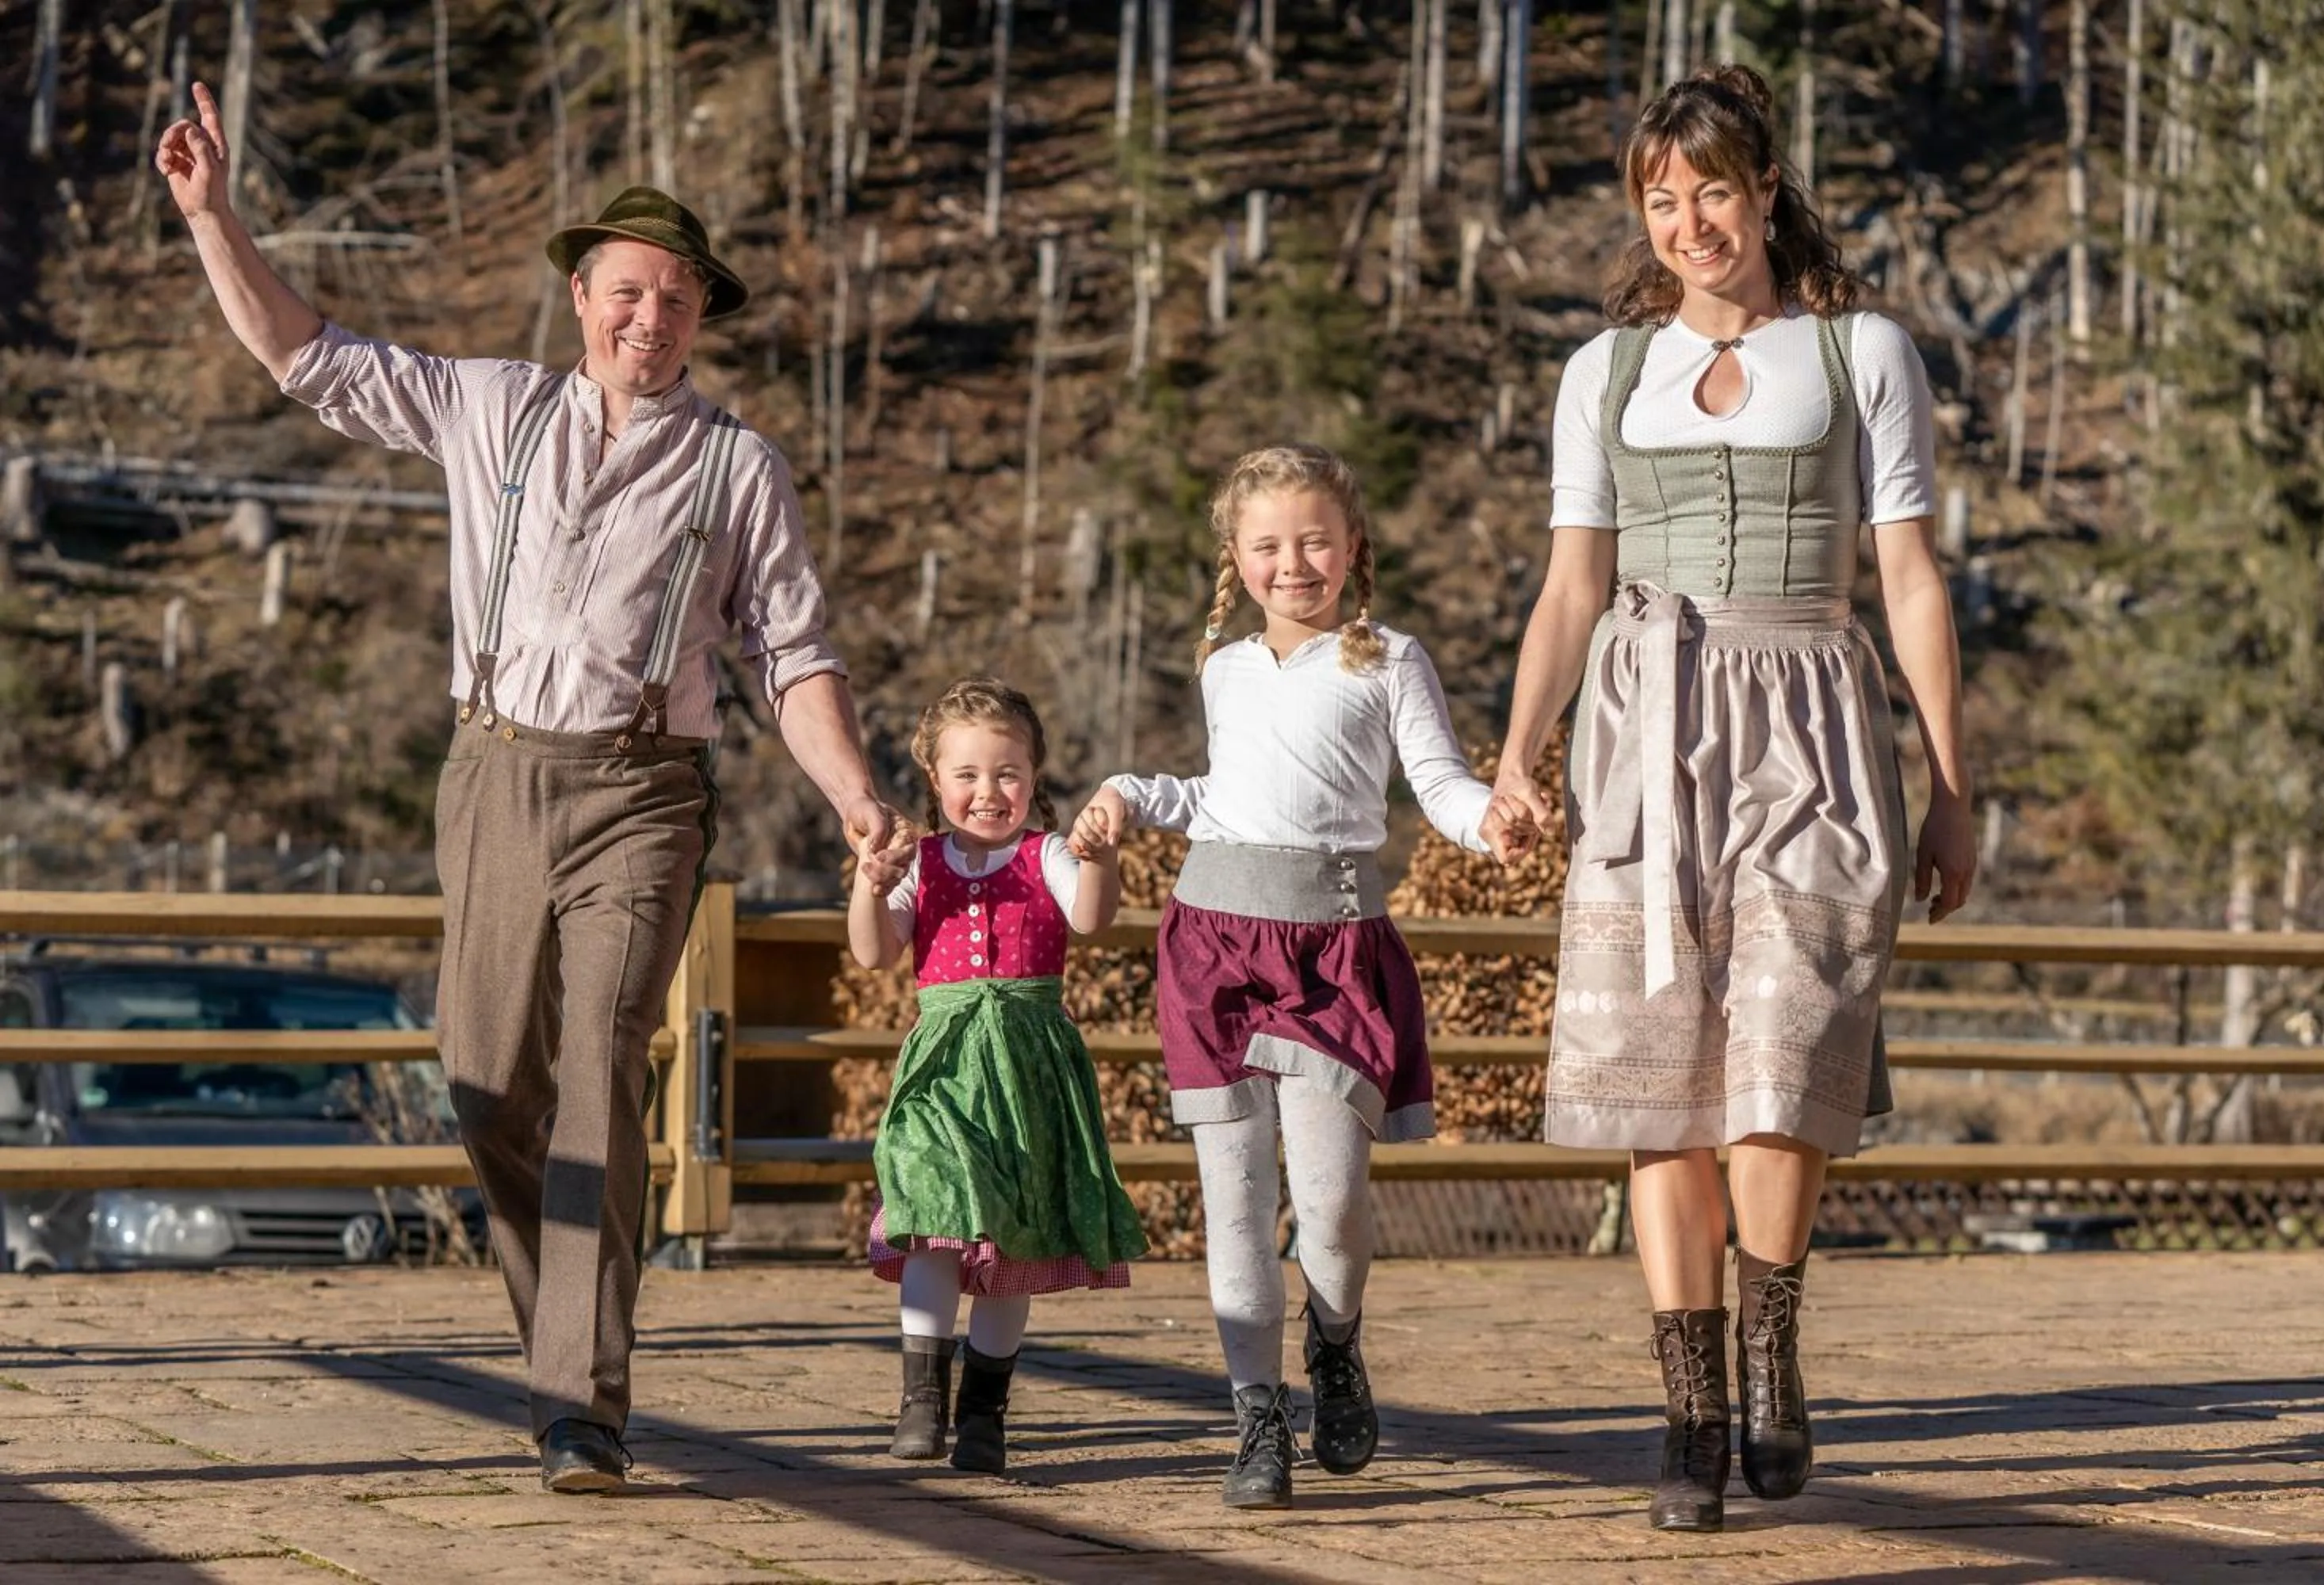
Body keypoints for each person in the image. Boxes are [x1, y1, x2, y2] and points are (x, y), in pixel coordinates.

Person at [155, 84, 897, 1492]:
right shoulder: (485, 405)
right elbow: (307, 358)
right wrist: (213, 219)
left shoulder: (741, 471)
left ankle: (581, 1408)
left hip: (643, 790)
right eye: (630, 292)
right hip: (492, 772)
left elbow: (794, 654)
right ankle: (560, 1340)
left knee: (604, 1063)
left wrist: (856, 794)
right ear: (582, 293)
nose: (652, 321)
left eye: (678, 301)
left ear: (699, 316)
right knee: (485, 1081)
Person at [1489, 66, 1977, 1533]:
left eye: (1715, 189)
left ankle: (1772, 1350)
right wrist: (1521, 750)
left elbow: (1906, 576)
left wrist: (1954, 788)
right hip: (1645, 721)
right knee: (1661, 1083)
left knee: (1785, 1051)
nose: (1691, 220)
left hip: (1813, 709)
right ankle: (1688, 1414)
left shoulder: (1858, 351)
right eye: (1663, 196)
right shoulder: (1605, 369)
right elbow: (1572, 584)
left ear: (1766, 190)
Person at [1077, 444, 1531, 1511]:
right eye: (1270, 545)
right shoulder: (1224, 667)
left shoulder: (1389, 660)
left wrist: (1491, 822)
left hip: (1333, 951)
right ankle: (1256, 1419)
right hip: (1211, 951)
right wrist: (1123, 794)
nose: (1295, 563)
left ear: (1352, 547)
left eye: (1315, 540)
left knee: (1328, 1205)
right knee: (1233, 1207)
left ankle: (1334, 1343)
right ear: (1235, 558)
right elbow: (1219, 796)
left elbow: (1440, 787)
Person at [847, 677, 1147, 1476]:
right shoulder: (920, 864)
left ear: (1035, 773)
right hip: (945, 1063)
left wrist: (1103, 856)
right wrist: (868, 887)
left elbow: (1090, 917)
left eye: (1008, 773)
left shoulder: (1045, 853)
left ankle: (984, 1410)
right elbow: (875, 952)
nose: (989, 792)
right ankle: (921, 1395)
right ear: (936, 779)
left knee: (1011, 1238)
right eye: (969, 775)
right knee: (930, 1208)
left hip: (1028, 1067)